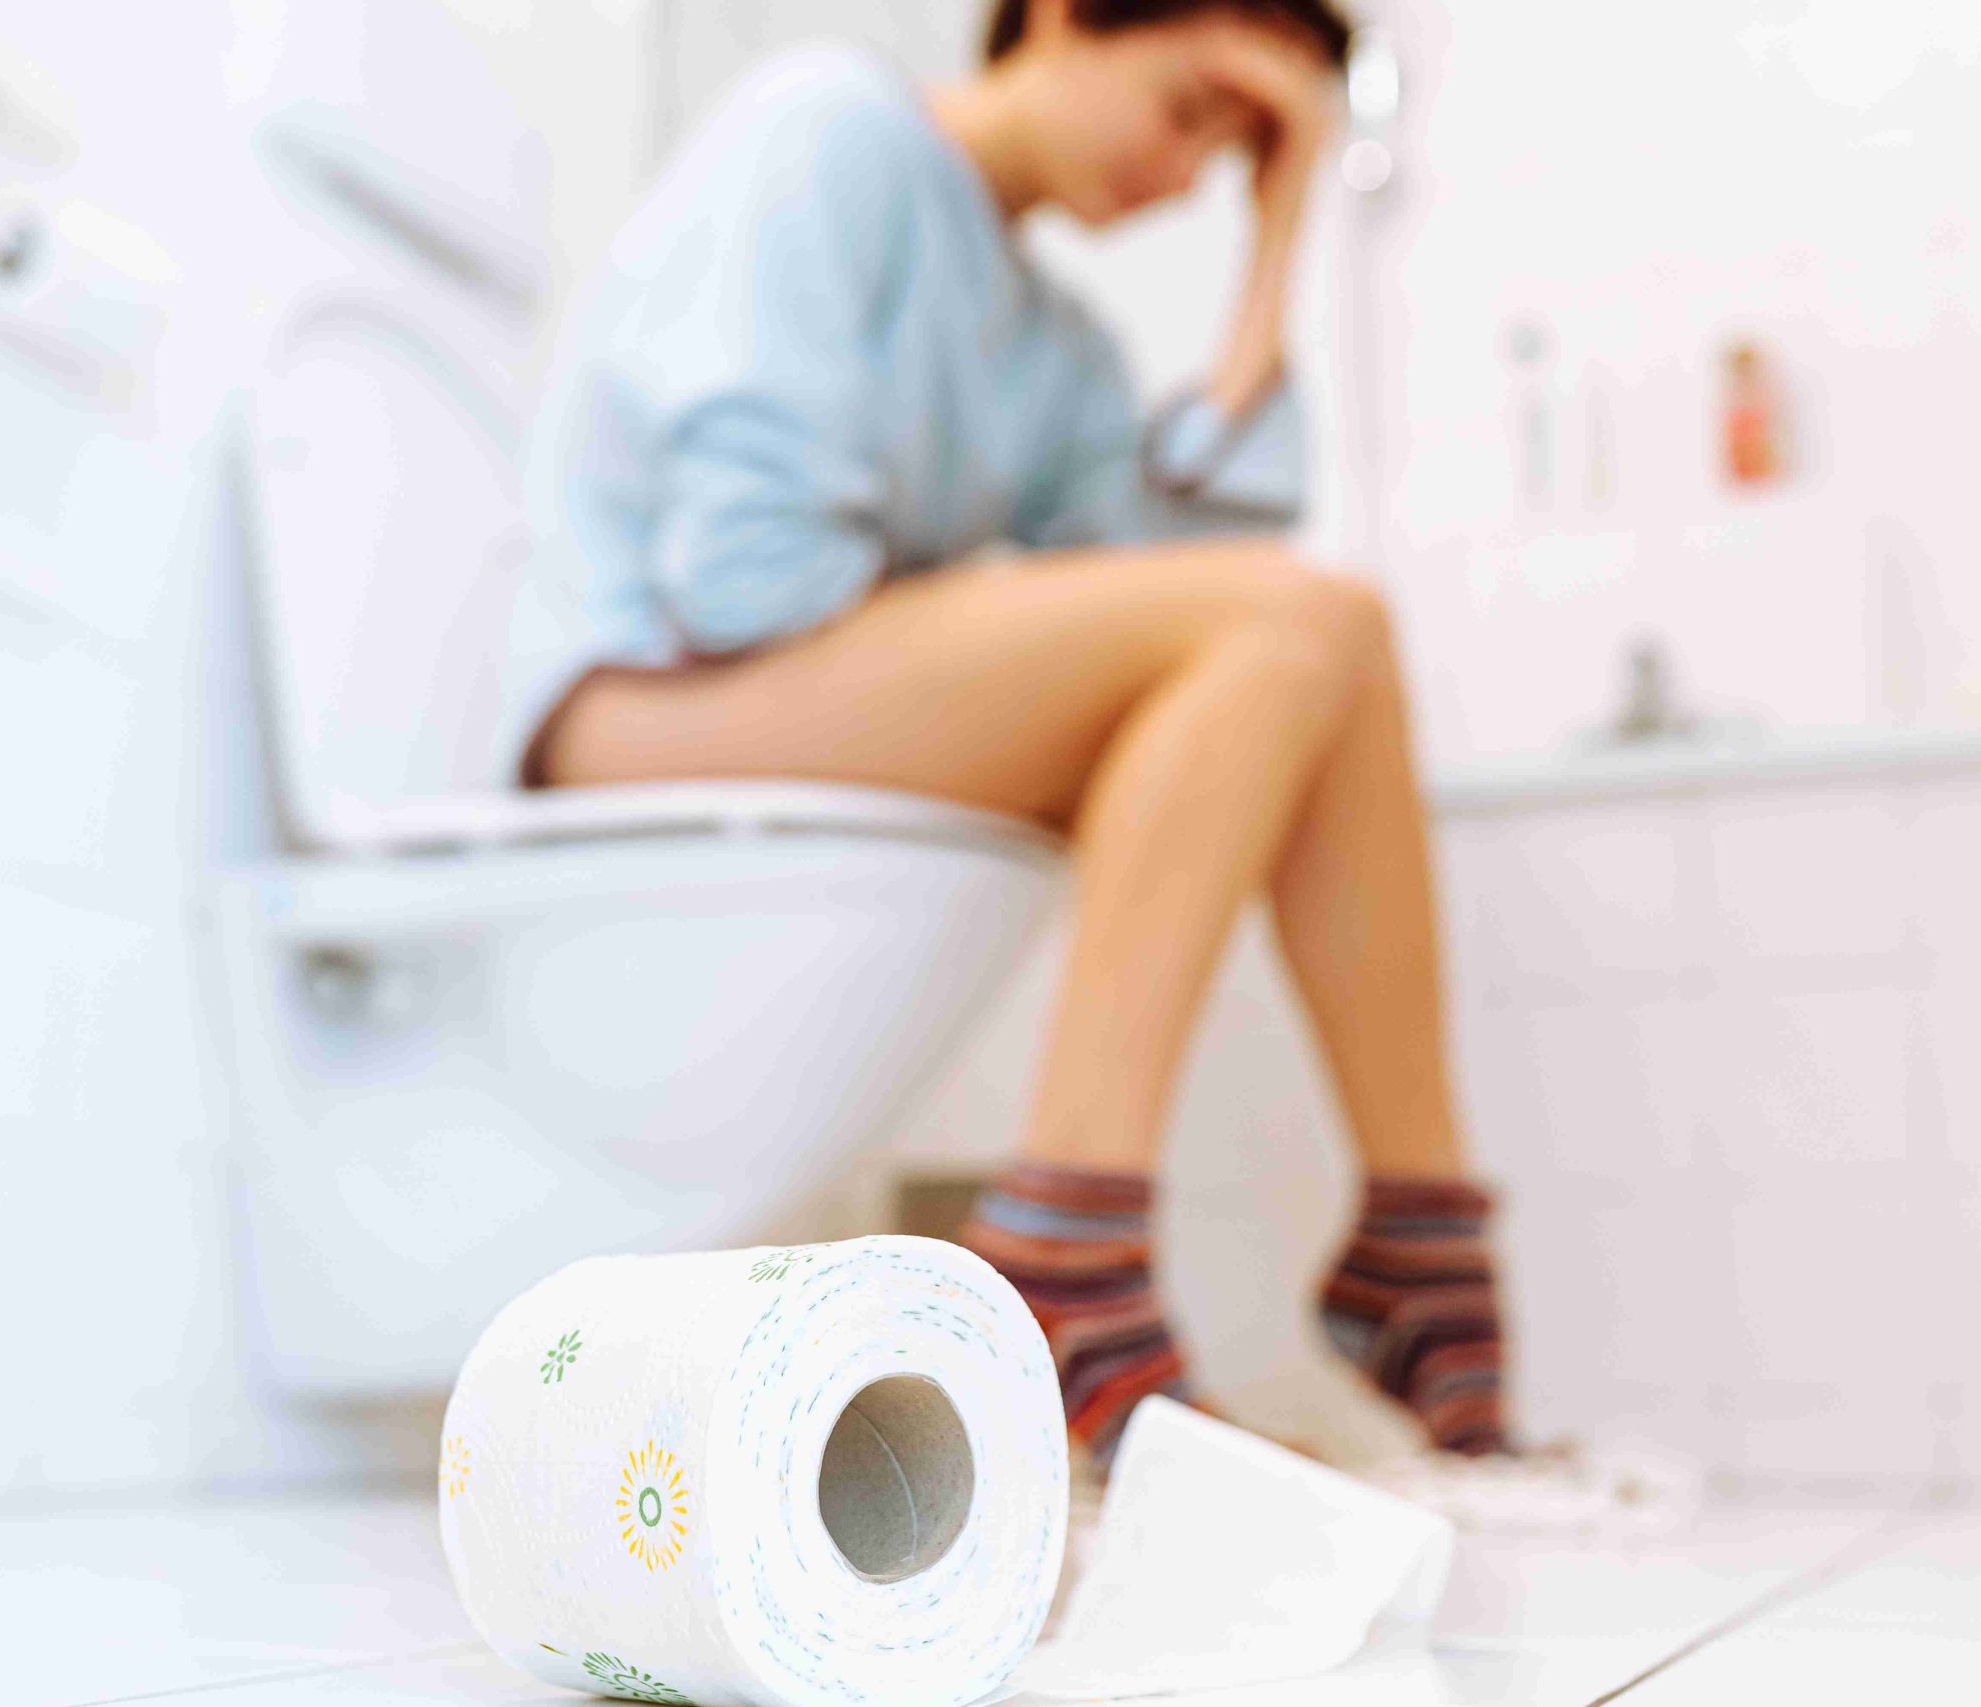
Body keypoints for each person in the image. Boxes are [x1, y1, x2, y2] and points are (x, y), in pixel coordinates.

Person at [499, 0, 1511, 1463]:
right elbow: (739, 581)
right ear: (1053, 16)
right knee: (1294, 621)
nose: (1184, 176)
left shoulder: (1053, 345)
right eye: (1188, 109)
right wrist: (1006, 640)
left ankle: (1414, 1245)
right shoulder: (831, 132)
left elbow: (1241, 626)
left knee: (1319, 644)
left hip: (779, 685)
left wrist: (1279, 238)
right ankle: (1081, 1250)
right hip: (639, 700)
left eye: (1230, 159)